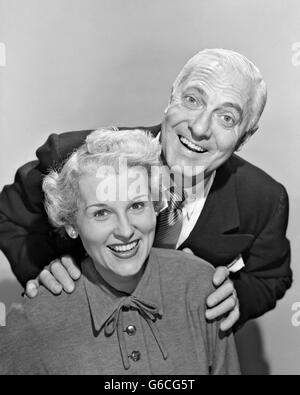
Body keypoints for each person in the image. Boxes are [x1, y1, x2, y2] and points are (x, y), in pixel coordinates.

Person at [0, 49, 292, 332]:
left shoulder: (264, 199)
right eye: (192, 100)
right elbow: (7, 216)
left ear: (245, 137)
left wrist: (238, 297)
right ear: (171, 99)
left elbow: (270, 277)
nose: (200, 127)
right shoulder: (75, 158)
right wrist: (43, 268)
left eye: (226, 117)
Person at [0, 129, 240, 375]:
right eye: (101, 213)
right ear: (71, 224)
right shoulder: (33, 319)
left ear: (156, 206)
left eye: (137, 205)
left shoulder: (201, 287)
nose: (125, 231)